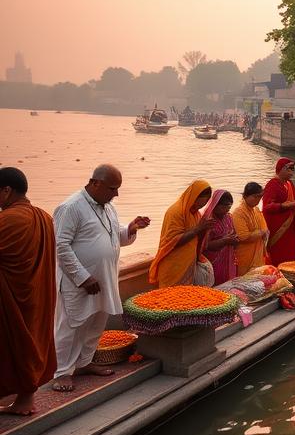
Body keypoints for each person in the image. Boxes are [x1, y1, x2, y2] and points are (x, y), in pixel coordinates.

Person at [51, 165, 149, 392]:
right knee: (70, 325)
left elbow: (115, 237)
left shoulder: (109, 208)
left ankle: (84, 364)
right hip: (77, 283)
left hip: (104, 279)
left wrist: (132, 228)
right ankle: (62, 372)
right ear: (94, 183)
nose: (116, 194)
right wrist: (83, 277)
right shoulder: (70, 207)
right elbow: (60, 246)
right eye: (112, 189)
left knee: (96, 323)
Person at [0, 168, 57, 415]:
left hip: (10, 300)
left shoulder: (9, 220)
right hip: (35, 296)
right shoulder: (44, 217)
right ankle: (25, 401)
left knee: (9, 347)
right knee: (30, 344)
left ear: (6, 191)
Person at [149, 180, 214, 287]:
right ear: (194, 196)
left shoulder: (196, 213)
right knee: (170, 300)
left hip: (187, 265)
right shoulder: (176, 211)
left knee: (185, 300)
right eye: (203, 201)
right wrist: (198, 228)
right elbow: (172, 241)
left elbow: (196, 239)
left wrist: (204, 229)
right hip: (173, 266)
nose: (203, 206)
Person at [263, 158, 295, 265]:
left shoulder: (290, 184)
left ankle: (289, 273)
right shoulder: (272, 184)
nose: (292, 171)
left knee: (290, 252)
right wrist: (288, 205)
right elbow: (267, 207)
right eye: (290, 168)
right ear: (281, 169)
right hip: (278, 227)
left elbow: (294, 200)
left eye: (293, 169)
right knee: (279, 253)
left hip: (290, 226)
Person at [200, 190, 238, 285]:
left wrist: (235, 240)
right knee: (215, 286)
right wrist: (224, 241)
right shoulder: (208, 221)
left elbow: (234, 234)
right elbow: (205, 245)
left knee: (228, 286)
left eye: (229, 207)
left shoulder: (228, 217)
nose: (227, 210)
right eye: (224, 206)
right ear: (216, 204)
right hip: (213, 262)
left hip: (228, 260)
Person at [233, 182, 268, 275]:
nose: (258, 200)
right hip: (245, 256)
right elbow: (243, 236)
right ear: (245, 196)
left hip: (258, 254)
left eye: (260, 197)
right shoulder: (238, 213)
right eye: (255, 197)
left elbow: (265, 229)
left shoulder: (256, 210)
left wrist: (262, 232)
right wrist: (261, 232)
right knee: (244, 282)